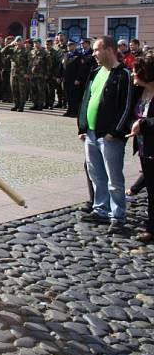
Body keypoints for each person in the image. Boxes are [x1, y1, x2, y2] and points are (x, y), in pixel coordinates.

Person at [78, 36, 133, 234]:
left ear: (109, 50)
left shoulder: (123, 74)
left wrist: (115, 131)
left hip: (110, 136)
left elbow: (126, 105)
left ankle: (118, 215)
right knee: (96, 175)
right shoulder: (95, 72)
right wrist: (82, 127)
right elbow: (87, 99)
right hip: (91, 133)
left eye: (96, 50)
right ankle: (101, 209)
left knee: (114, 178)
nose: (93, 53)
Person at [127, 52, 154, 242]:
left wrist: (143, 124)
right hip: (145, 148)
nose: (132, 74)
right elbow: (133, 113)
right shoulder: (140, 91)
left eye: (135, 71)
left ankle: (151, 229)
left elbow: (147, 120)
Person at [3, 36, 29, 111]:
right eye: (17, 41)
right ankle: (16, 105)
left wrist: (27, 73)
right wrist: (9, 45)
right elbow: (2, 52)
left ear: (22, 42)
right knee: (14, 90)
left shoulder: (26, 51)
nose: (18, 42)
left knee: (22, 90)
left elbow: (29, 62)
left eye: (20, 41)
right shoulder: (12, 49)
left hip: (22, 73)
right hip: (13, 73)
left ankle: (21, 106)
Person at [28, 38, 48, 111]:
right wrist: (29, 73)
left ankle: (40, 105)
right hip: (33, 75)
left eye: (37, 43)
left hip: (41, 75)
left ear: (40, 43)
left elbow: (48, 64)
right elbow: (29, 63)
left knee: (41, 91)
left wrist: (46, 74)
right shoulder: (32, 52)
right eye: (34, 43)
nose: (35, 44)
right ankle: (35, 104)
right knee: (33, 90)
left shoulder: (44, 52)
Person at [63, 40, 81, 117]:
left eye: (70, 45)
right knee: (67, 95)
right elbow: (62, 66)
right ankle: (69, 110)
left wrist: (78, 79)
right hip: (66, 79)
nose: (69, 47)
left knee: (73, 96)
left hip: (74, 79)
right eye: (68, 45)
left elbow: (80, 69)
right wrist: (59, 76)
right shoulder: (65, 55)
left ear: (75, 46)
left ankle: (74, 111)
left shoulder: (78, 56)